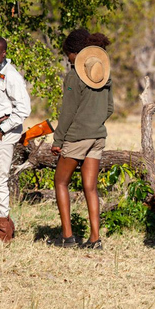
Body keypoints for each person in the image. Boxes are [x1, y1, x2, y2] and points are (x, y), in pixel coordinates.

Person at [50, 29, 114, 249]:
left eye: (68, 54)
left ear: (74, 53)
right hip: (97, 136)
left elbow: (67, 113)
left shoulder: (74, 75)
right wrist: (94, 122)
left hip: (77, 137)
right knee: (91, 187)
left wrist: (58, 140)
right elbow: (109, 108)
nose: (68, 59)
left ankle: (67, 237)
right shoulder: (103, 73)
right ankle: (95, 238)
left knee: (60, 181)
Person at [0, 37, 31, 243]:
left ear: (3, 53)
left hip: (3, 134)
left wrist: (2, 129)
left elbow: (24, 108)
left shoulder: (11, 75)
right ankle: (6, 225)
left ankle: (2, 232)